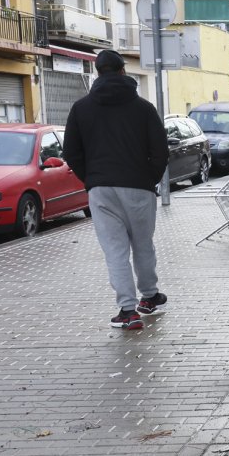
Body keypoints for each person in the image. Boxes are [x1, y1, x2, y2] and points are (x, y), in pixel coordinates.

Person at [64, 50, 169, 330]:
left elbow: (71, 152)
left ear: (98, 72)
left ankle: (127, 311)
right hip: (139, 188)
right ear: (124, 71)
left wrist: (92, 179)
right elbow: (160, 151)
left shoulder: (81, 108)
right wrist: (149, 180)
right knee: (143, 244)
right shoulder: (144, 108)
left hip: (101, 190)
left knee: (115, 250)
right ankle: (149, 296)